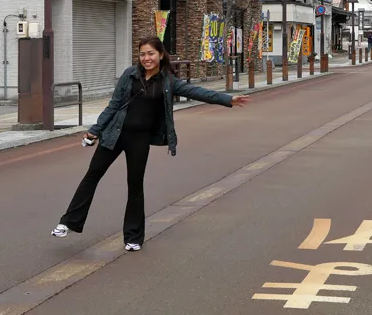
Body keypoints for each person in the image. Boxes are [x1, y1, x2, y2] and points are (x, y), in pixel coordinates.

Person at [51, 35, 250, 251]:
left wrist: (227, 100)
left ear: (161, 55)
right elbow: (114, 105)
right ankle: (68, 222)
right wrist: (95, 131)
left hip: (140, 139)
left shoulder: (168, 82)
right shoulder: (129, 75)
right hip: (115, 134)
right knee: (92, 175)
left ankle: (133, 237)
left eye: (151, 53)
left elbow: (198, 92)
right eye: (143, 53)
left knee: (135, 185)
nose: (146, 58)